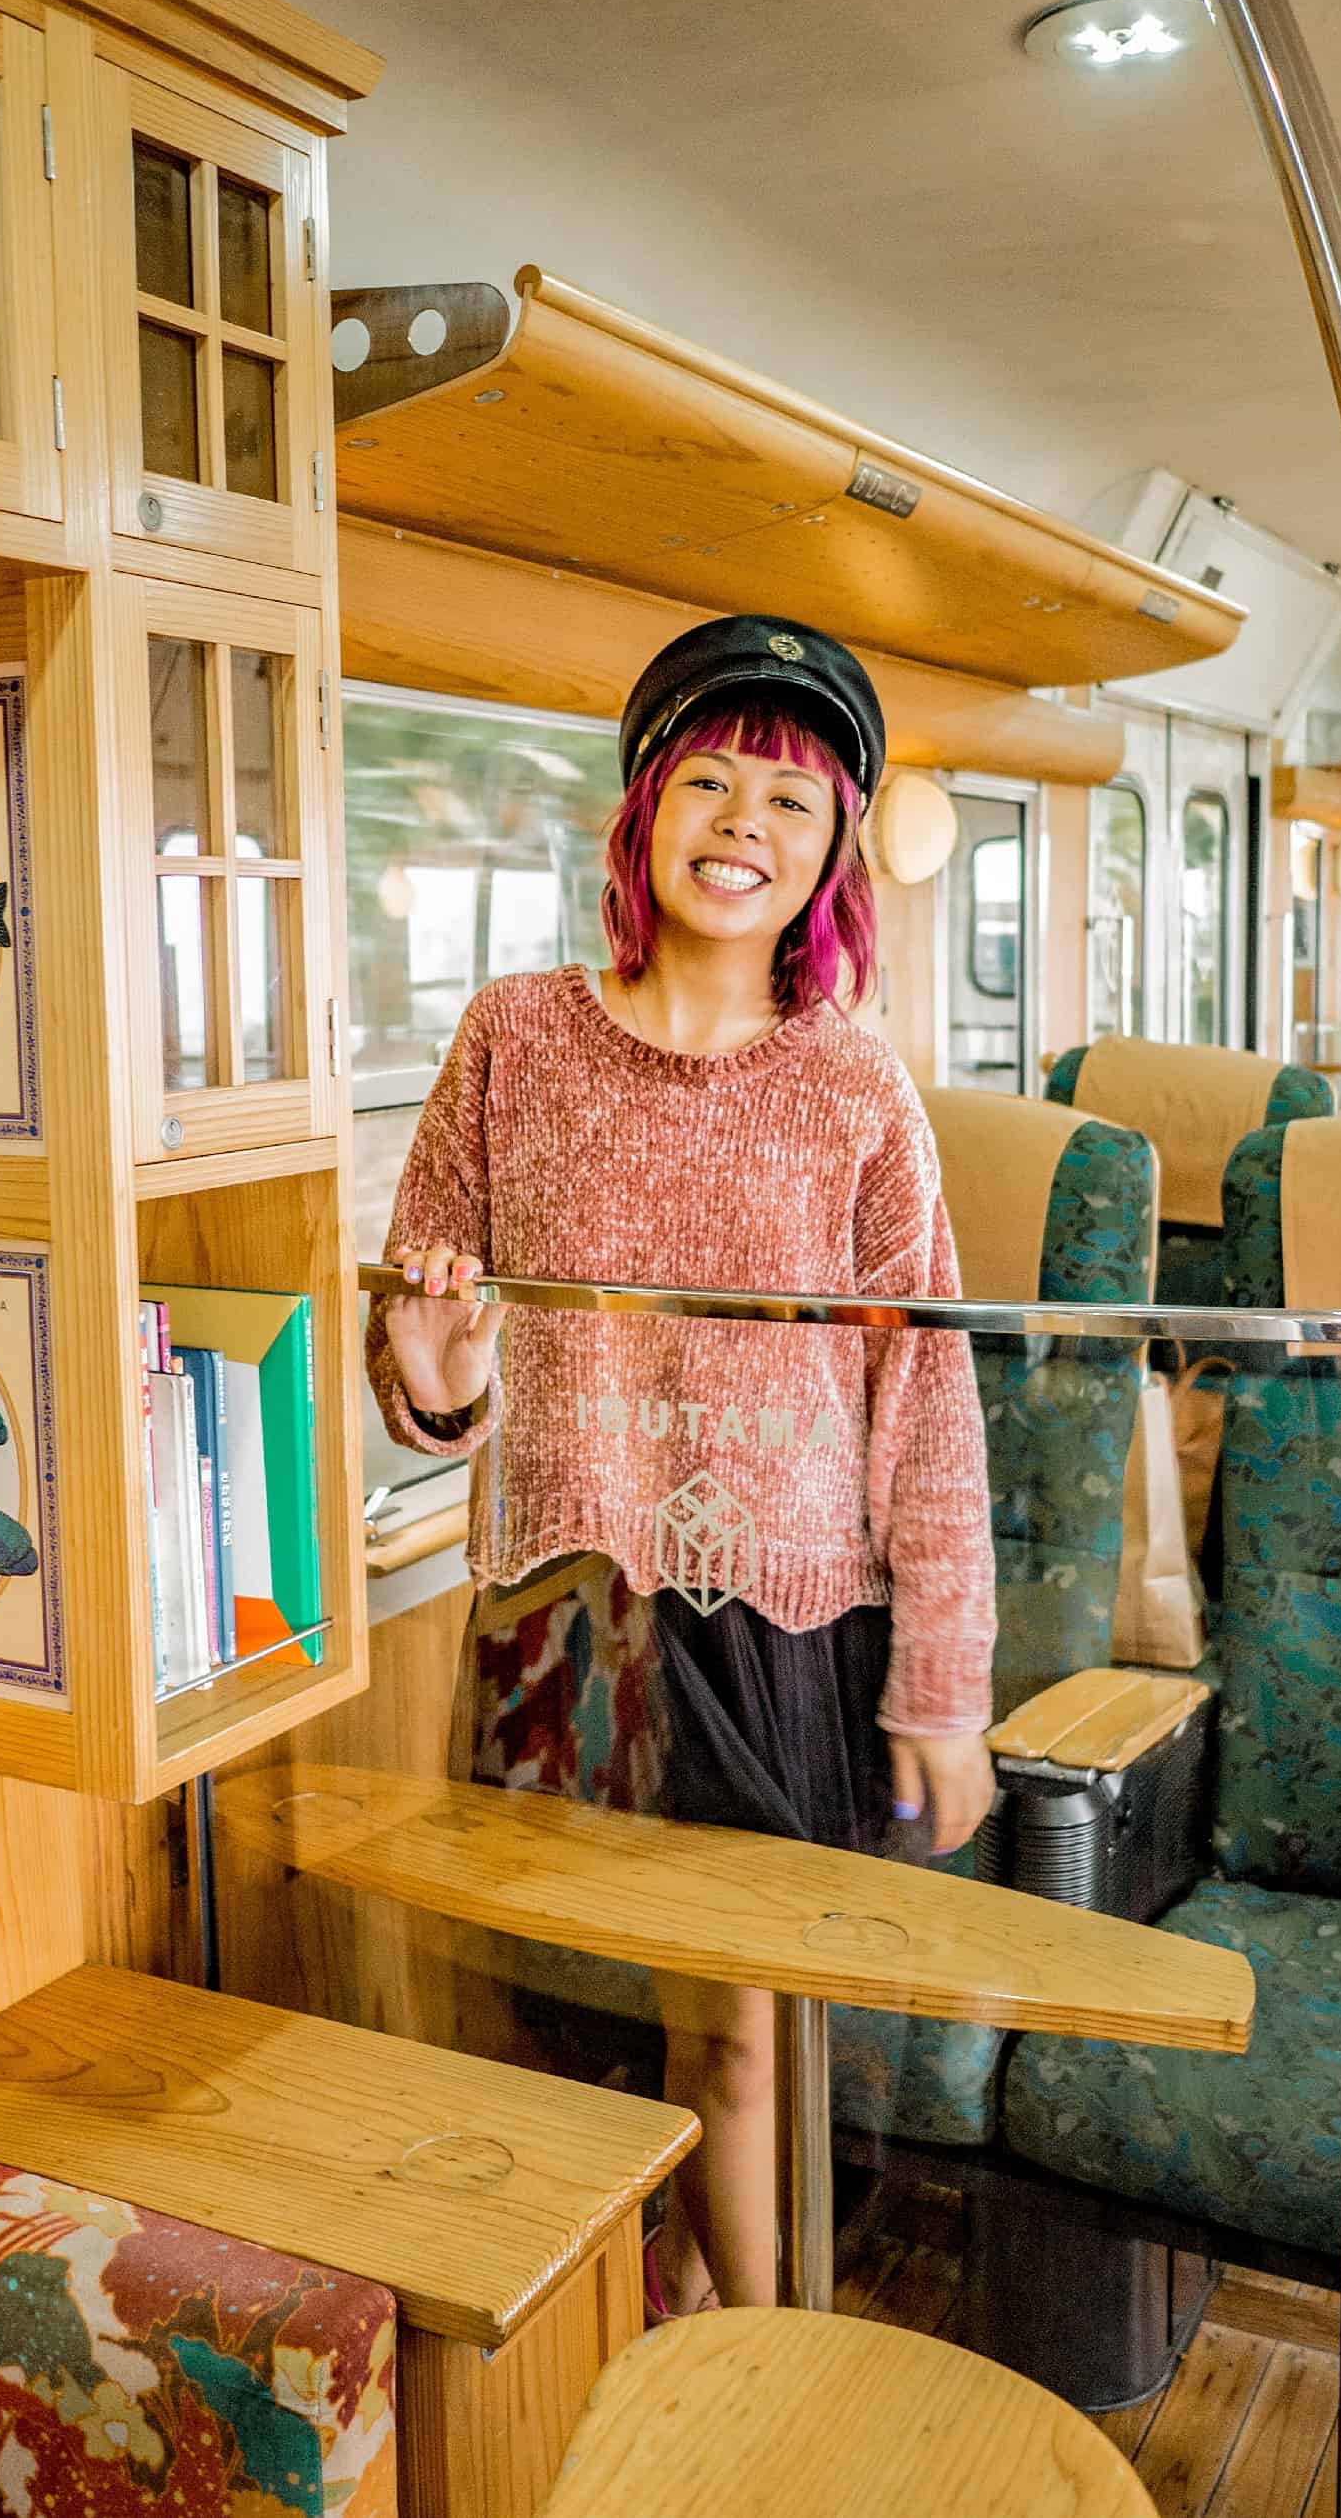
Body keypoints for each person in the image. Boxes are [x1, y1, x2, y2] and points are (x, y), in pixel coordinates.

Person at [369, 612, 997, 2318]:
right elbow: (427, 1352)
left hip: (771, 1631)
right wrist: (431, 1380)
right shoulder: (509, 1036)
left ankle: (763, 2381)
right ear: (646, 811)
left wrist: (942, 1680)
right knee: (553, 2037)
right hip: (554, 1618)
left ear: (836, 855)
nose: (744, 825)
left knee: (731, 2040)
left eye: (792, 803)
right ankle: (631, 2354)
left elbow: (924, 1396)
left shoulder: (856, 1084)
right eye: (709, 780)